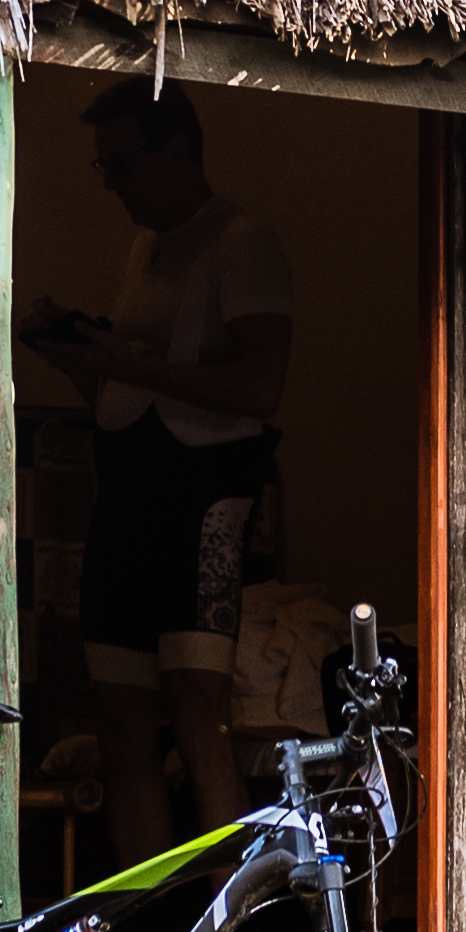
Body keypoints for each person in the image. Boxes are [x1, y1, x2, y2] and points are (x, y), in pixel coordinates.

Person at [57, 84, 292, 881]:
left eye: (125, 164)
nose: (116, 184)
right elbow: (132, 391)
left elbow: (261, 387)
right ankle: (149, 930)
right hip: (127, 494)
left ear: (179, 151)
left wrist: (134, 364)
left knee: (199, 717)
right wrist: (81, 353)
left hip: (202, 500)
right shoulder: (142, 247)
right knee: (123, 725)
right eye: (104, 167)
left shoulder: (243, 241)